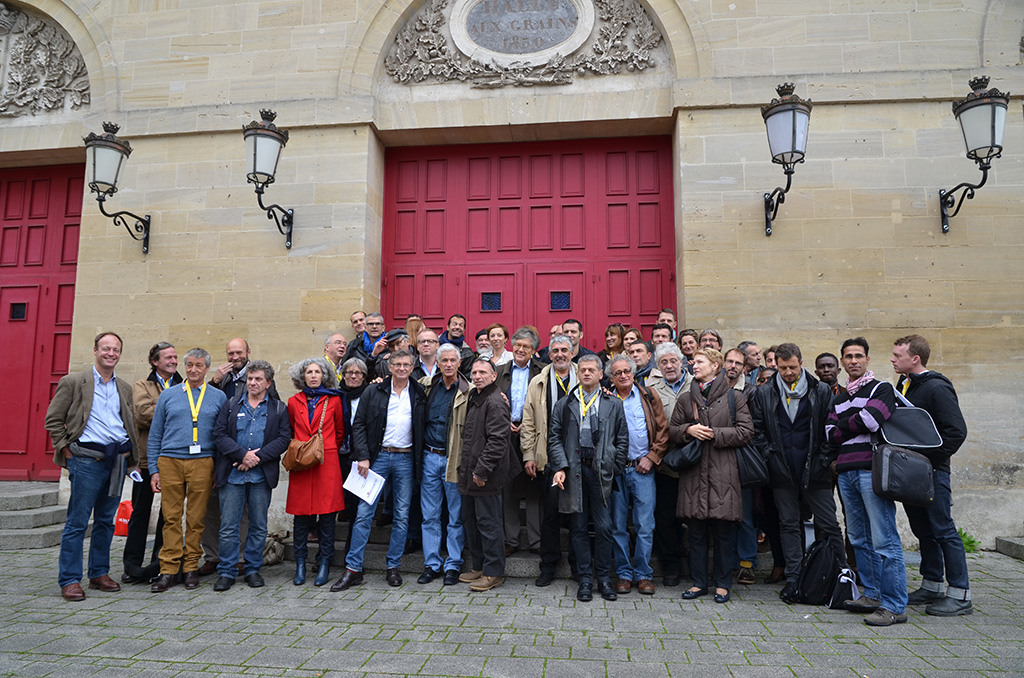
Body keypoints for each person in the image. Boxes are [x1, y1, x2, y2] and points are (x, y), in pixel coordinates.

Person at [749, 343, 846, 603]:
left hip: (815, 470)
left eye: (792, 367)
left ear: (801, 363)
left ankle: (840, 575)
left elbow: (831, 428)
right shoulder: (764, 393)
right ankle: (794, 579)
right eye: (783, 368)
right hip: (781, 471)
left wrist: (823, 460)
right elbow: (758, 431)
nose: (788, 372)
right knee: (788, 524)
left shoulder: (821, 391)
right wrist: (770, 459)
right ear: (775, 366)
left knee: (828, 524)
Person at [45, 332, 139, 601]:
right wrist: (67, 452)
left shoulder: (124, 387)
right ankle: (70, 579)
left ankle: (99, 573)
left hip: (117, 462)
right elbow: (53, 419)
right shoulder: (74, 382)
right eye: (106, 348)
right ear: (95, 351)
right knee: (77, 522)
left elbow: (128, 425)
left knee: (106, 522)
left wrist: (133, 460)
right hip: (86, 461)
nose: (111, 353)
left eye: (116, 349)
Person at [826, 337, 906, 627]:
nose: (853, 361)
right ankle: (871, 594)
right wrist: (855, 421)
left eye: (858, 355)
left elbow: (872, 421)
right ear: (842, 361)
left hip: (871, 471)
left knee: (884, 539)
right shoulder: (839, 396)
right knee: (858, 538)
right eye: (848, 356)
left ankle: (895, 605)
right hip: (846, 471)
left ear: (868, 360)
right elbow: (829, 434)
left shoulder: (881, 388)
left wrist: (847, 423)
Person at [891, 334, 972, 616]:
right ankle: (932, 584)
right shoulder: (904, 385)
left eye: (897, 355)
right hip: (912, 471)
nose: (892, 359)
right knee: (923, 529)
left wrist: (929, 461)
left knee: (943, 529)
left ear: (915, 359)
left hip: (932, 471)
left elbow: (956, 432)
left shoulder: (937, 387)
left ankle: (960, 594)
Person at [333, 350, 426, 591]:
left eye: (407, 364)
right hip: (377, 459)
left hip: (406, 459)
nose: (402, 368)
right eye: (398, 364)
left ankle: (393, 566)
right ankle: (353, 568)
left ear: (413, 367)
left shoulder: (419, 393)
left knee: (402, 515)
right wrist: (362, 456)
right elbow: (359, 424)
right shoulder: (373, 391)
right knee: (364, 513)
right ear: (390, 366)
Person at [669, 348, 753, 604]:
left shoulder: (733, 398)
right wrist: (688, 430)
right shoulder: (685, 399)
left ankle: (723, 584)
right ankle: (698, 583)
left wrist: (716, 433)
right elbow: (671, 432)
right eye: (693, 362)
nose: (694, 366)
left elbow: (746, 431)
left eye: (700, 362)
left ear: (715, 366)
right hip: (694, 474)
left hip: (723, 473)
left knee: (724, 533)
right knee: (696, 533)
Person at [548, 354, 629, 603]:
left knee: (605, 527)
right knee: (579, 527)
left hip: (601, 472)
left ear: (600, 373)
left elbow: (622, 439)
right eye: (582, 370)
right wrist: (560, 466)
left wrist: (614, 466)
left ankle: (604, 578)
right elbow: (554, 437)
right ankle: (584, 579)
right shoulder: (565, 403)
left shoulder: (612, 403)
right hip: (574, 471)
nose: (586, 373)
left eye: (591, 370)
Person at [148, 348, 228, 592]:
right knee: (171, 518)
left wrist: (217, 468)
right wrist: (154, 469)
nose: (194, 370)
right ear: (184, 367)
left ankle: (190, 566)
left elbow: (221, 435)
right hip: (170, 460)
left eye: (199, 366)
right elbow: (155, 434)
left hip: (203, 462)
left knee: (196, 518)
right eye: (190, 365)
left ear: (207, 369)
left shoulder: (217, 397)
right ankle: (168, 569)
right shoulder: (168, 395)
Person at [201, 338, 279, 576]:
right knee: (218, 515)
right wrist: (213, 382)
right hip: (223, 459)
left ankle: (245, 562)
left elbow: (277, 429)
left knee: (251, 519)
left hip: (255, 464)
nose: (234, 357)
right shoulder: (222, 383)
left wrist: (254, 457)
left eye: (239, 352)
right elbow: (214, 423)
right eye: (230, 353)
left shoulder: (268, 391)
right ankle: (218, 561)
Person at [211, 360, 291, 591]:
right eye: (250, 379)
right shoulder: (231, 405)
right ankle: (226, 571)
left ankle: (253, 569)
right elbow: (219, 435)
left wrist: (258, 457)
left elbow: (284, 438)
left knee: (258, 525)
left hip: (260, 476)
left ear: (269, 383)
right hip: (233, 474)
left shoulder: (278, 408)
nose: (252, 383)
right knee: (228, 526)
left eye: (258, 379)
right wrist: (242, 455)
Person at [607, 354, 668, 596]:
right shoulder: (606, 398)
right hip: (616, 472)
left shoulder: (648, 396)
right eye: (618, 372)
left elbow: (663, 430)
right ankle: (623, 573)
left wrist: (652, 457)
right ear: (611, 377)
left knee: (645, 525)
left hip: (642, 469)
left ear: (633, 373)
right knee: (618, 525)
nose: (623, 375)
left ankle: (643, 574)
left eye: (626, 371)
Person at [521, 335, 579, 586]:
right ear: (549, 354)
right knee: (550, 516)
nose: (560, 355)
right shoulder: (539, 381)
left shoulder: (586, 374)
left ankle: (579, 566)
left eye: (564, 350)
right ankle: (548, 565)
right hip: (551, 457)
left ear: (572, 352)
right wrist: (528, 454)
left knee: (579, 515)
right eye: (555, 350)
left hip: (580, 459)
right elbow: (529, 420)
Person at [122, 342, 181, 584]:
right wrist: (173, 410)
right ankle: (132, 564)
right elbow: (142, 414)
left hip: (175, 459)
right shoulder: (142, 385)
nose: (174, 361)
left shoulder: (183, 385)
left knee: (169, 514)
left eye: (176, 357)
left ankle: (160, 562)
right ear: (155, 361)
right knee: (140, 512)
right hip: (146, 460)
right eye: (168, 357)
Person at [285, 357, 346, 587]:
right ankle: (300, 563)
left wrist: (325, 449)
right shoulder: (293, 402)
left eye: (317, 372)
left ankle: (324, 563)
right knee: (301, 517)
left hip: (326, 463)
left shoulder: (334, 401)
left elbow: (340, 432)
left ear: (324, 376)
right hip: (301, 463)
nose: (313, 376)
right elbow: (291, 429)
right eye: (309, 372)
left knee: (328, 518)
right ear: (302, 377)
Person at [458, 359, 517, 591]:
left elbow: (497, 441)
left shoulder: (495, 401)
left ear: (494, 376)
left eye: (483, 372)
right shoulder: (477, 396)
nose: (477, 376)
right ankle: (480, 566)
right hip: (470, 473)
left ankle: (494, 572)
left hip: (485, 475)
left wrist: (482, 470)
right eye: (474, 372)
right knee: (472, 522)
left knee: (489, 524)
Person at [417, 344, 469, 586]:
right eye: (444, 360)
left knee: (455, 516)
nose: (448, 364)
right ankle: (432, 563)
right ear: (437, 363)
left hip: (453, 460)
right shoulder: (426, 387)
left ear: (459, 363)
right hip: (429, 457)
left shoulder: (468, 391)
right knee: (429, 516)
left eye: (452, 360)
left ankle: (453, 564)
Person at [646, 342, 693, 587]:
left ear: (682, 362)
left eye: (673, 360)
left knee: (695, 517)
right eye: (663, 362)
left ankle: (696, 566)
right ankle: (671, 566)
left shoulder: (696, 384)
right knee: (665, 517)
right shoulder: (650, 389)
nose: (669, 365)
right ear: (657, 365)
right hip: (664, 464)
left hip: (694, 464)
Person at [495, 327, 544, 557]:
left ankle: (537, 540)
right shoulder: (499, 371)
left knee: (533, 488)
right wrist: (506, 422)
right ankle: (510, 539)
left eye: (526, 346)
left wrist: (528, 424)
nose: (521, 350)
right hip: (506, 435)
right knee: (508, 489)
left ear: (534, 350)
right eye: (517, 346)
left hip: (532, 435)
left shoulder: (543, 372)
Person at [722, 347, 758, 584]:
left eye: (738, 363)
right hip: (717, 461)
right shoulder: (712, 389)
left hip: (741, 458)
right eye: (729, 361)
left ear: (745, 367)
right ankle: (727, 562)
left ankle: (747, 563)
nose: (733, 366)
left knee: (744, 514)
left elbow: (751, 428)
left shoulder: (751, 392)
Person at [337, 357, 369, 558]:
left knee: (357, 507)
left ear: (364, 376)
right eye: (349, 372)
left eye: (358, 373)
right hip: (338, 456)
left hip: (360, 457)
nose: (353, 376)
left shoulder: (370, 395)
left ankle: (352, 553)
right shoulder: (334, 396)